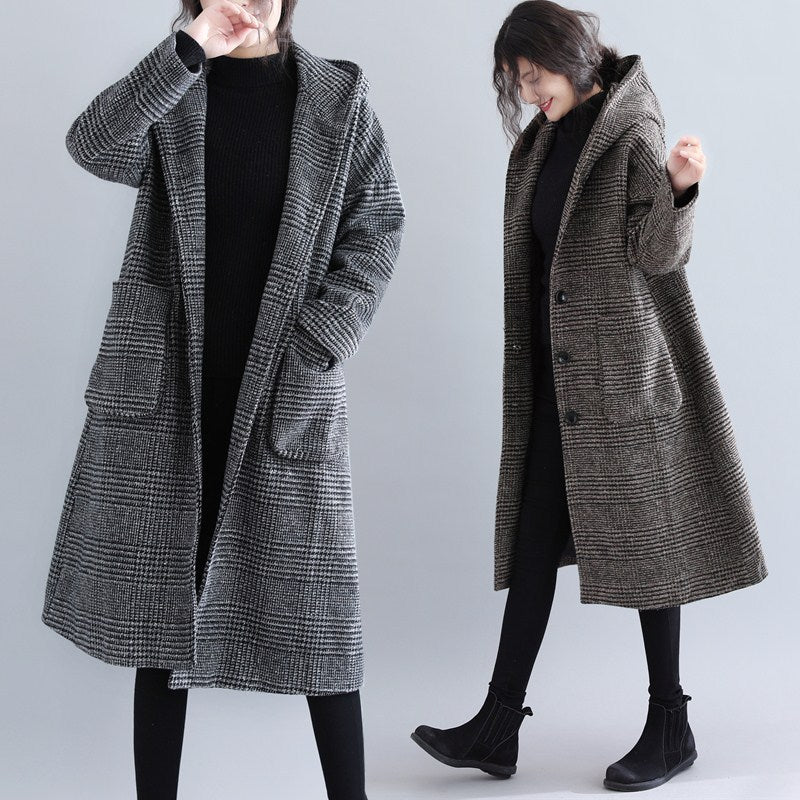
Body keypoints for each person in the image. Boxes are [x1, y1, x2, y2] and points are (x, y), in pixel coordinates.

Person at [40, 2, 404, 798]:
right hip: (172, 391)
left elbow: (378, 229)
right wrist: (188, 49)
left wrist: (318, 341)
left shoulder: (336, 100)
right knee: (161, 628)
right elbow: (92, 144)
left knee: (322, 630)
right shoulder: (177, 84)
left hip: (284, 387)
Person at [411, 0, 766, 792]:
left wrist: (681, 188)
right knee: (534, 543)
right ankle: (498, 724)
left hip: (622, 380)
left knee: (650, 548)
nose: (527, 92)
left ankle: (670, 725)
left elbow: (658, 255)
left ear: (567, 55)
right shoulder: (547, 140)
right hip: (558, 380)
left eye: (533, 74)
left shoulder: (629, 131)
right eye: (517, 81)